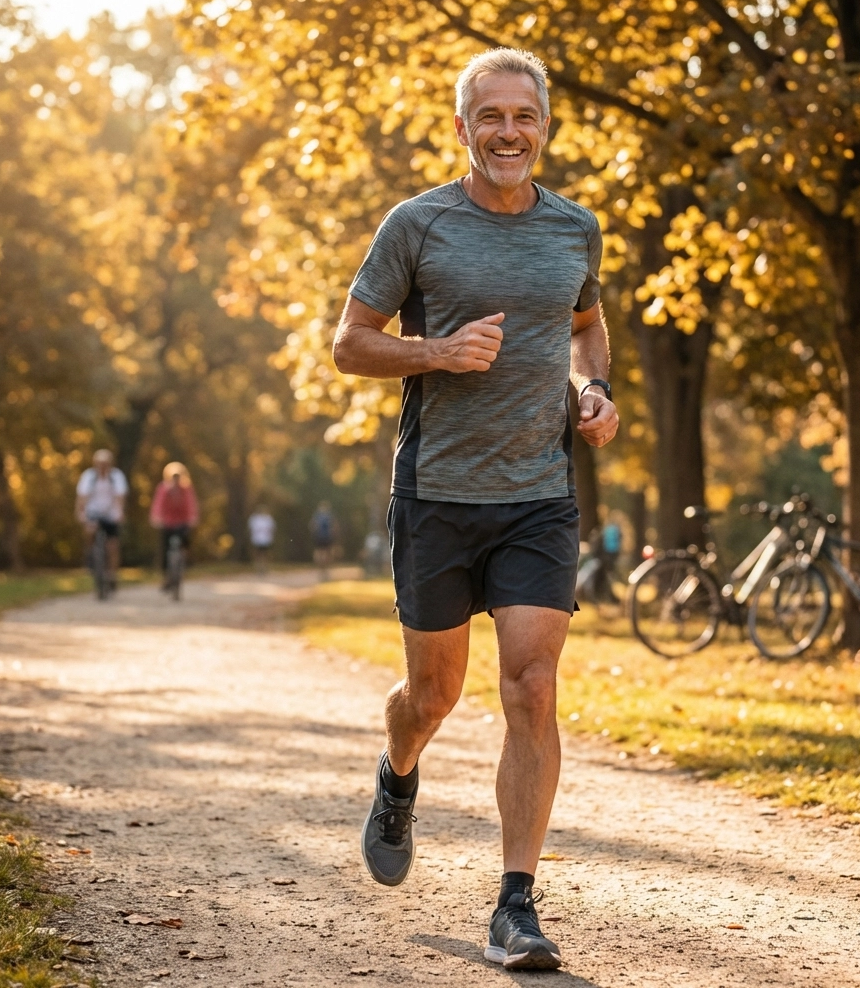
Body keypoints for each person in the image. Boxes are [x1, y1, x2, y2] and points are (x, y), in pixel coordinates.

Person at [332, 48, 618, 970]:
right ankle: (397, 772)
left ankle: (516, 904)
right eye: (489, 115)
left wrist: (593, 391)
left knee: (533, 687)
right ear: (463, 128)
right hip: (438, 495)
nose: (507, 131)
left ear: (543, 127)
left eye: (522, 116)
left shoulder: (575, 229)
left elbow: (584, 327)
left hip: (538, 496)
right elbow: (349, 345)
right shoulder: (418, 225)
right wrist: (435, 354)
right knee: (433, 695)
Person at [75, 448, 128, 591]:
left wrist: (120, 512)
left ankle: (112, 575)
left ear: (110, 464)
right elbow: (82, 497)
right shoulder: (89, 477)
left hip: (111, 513)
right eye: (99, 463)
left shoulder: (116, 476)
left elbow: (120, 497)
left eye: (105, 463)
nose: (102, 466)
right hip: (93, 512)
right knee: (90, 530)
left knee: (113, 545)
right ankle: (90, 557)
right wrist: (81, 513)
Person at [149, 462, 200, 588]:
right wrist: (156, 517)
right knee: (165, 549)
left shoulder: (186, 489)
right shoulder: (164, 489)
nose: (176, 480)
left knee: (185, 543)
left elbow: (191, 504)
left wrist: (193, 518)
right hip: (168, 522)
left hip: (182, 522)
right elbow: (158, 504)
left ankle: (183, 565)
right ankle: (166, 576)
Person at [248, 506, 276, 571]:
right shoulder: (255, 519)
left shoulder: (268, 519)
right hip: (257, 539)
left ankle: (264, 567)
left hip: (266, 539)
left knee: (265, 554)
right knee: (258, 554)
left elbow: (272, 529)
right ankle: (258, 567)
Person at [309, 501, 336, 569]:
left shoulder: (317, 515)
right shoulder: (329, 515)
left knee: (318, 551)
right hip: (327, 537)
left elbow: (312, 525)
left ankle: (319, 565)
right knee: (327, 552)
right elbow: (333, 527)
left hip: (318, 536)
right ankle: (325, 567)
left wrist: (313, 533)